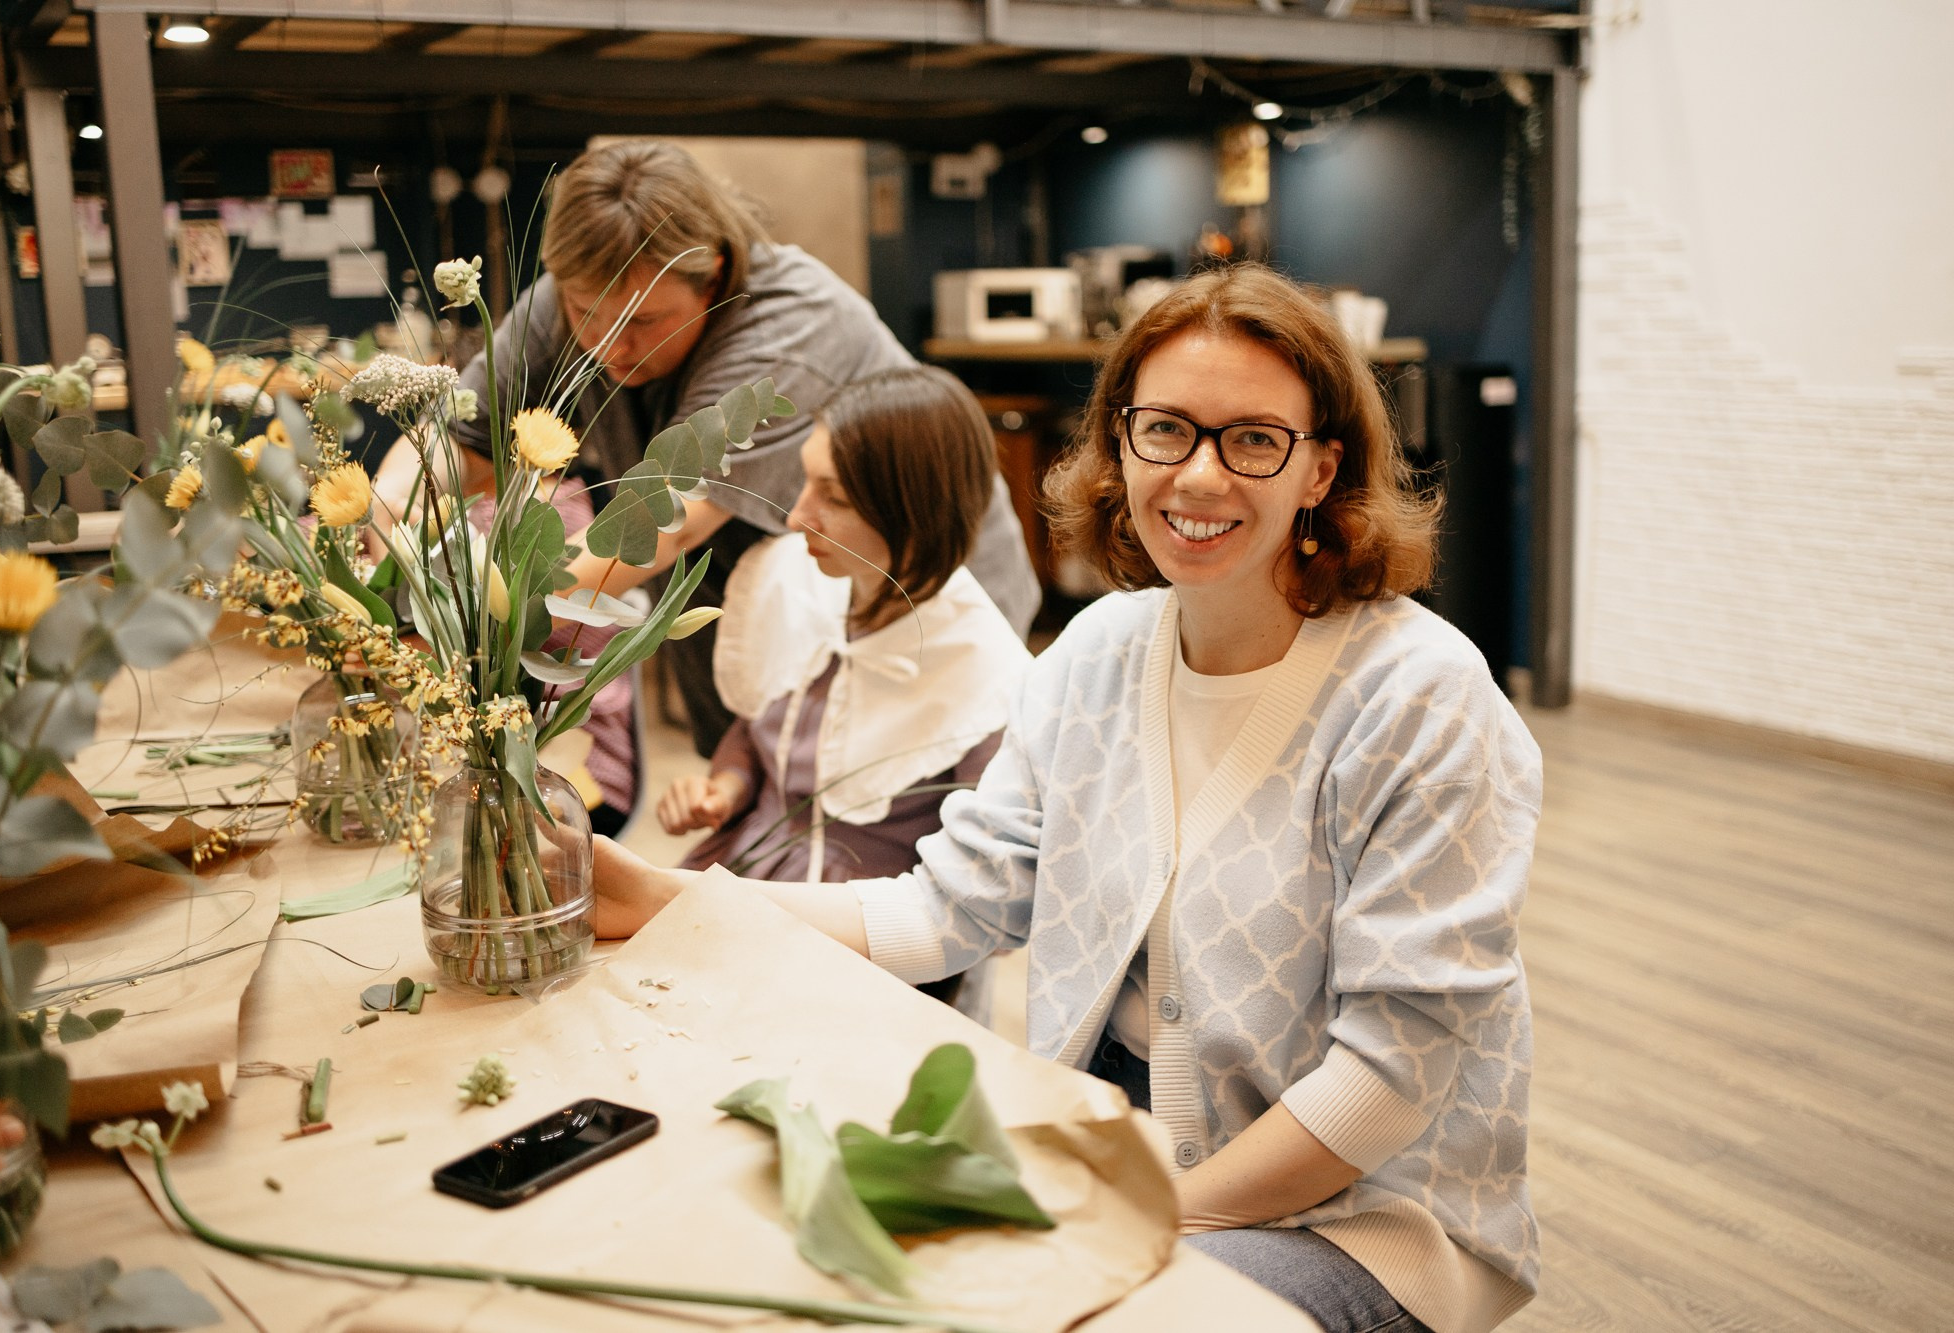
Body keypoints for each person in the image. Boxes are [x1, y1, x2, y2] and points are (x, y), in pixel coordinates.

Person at [594, 264, 1541, 1333]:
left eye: (1252, 440)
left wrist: (1155, 1215)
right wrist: (664, 895)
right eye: (1165, 430)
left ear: (1320, 468)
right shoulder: (1093, 654)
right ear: (1119, 443)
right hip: (1110, 1151)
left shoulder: (1419, 699)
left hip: (1352, 1216)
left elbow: (1384, 1082)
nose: (1198, 475)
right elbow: (942, 910)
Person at [371, 141, 1040, 833]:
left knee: (889, 828)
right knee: (754, 803)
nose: (608, 345)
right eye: (583, 313)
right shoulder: (580, 294)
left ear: (713, 274)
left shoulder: (788, 321)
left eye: (646, 323)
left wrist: (466, 629)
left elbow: (660, 527)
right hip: (764, 604)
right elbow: (456, 446)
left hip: (917, 604)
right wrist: (385, 544)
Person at [658, 366, 1031, 885]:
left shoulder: (988, 681)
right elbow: (761, 726)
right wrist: (724, 789)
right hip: (747, 870)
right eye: (805, 482)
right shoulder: (801, 581)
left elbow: (990, 886)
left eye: (832, 497)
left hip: (864, 925)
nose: (796, 517)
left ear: (912, 510)